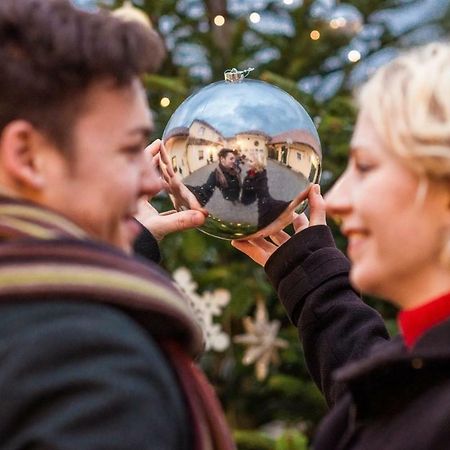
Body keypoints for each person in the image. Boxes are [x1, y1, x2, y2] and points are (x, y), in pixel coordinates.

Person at [0, 1, 234, 449]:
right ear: (28, 156)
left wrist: (129, 244)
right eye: (129, 150)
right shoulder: (90, 360)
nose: (152, 179)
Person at [232, 42, 450, 449]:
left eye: (365, 166)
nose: (336, 198)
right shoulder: (423, 363)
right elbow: (387, 404)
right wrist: (309, 274)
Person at [240, 151, 290, 228]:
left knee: (263, 219)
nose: (247, 163)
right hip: (251, 197)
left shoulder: (261, 176)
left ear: (258, 163)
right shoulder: (251, 172)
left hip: (263, 201)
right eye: (248, 160)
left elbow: (262, 191)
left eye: (251, 161)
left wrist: (248, 185)